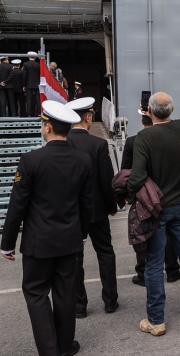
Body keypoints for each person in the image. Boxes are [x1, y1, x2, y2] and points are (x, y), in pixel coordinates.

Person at [0, 100, 93, 356]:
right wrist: (82, 235)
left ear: (49, 127)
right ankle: (64, 346)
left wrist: (7, 242)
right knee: (65, 294)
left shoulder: (31, 160)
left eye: (43, 124)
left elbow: (17, 205)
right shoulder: (83, 160)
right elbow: (87, 205)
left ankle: (49, 350)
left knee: (36, 293)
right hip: (69, 239)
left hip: (38, 242)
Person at [127, 92, 180, 336]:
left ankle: (156, 320)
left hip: (155, 207)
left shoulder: (144, 136)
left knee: (154, 262)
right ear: (172, 109)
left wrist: (127, 191)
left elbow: (137, 177)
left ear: (148, 111)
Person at [65, 97, 120, 318]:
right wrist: (112, 205)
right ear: (88, 118)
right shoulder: (98, 144)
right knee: (105, 253)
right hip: (96, 210)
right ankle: (110, 301)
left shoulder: (62, 142)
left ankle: (79, 306)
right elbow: (106, 180)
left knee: (75, 259)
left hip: (71, 212)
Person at [122, 113, 180, 288]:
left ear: (142, 121)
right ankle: (172, 270)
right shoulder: (169, 137)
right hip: (167, 193)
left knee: (144, 232)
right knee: (169, 233)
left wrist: (129, 194)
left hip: (143, 193)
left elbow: (126, 170)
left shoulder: (133, 141)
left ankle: (142, 273)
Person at [22, 52, 41, 117]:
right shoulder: (39, 65)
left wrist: (24, 85)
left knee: (29, 99)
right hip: (38, 84)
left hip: (29, 84)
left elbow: (25, 75)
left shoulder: (25, 64)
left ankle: (29, 114)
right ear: (35, 57)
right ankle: (39, 113)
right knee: (38, 99)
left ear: (28, 57)